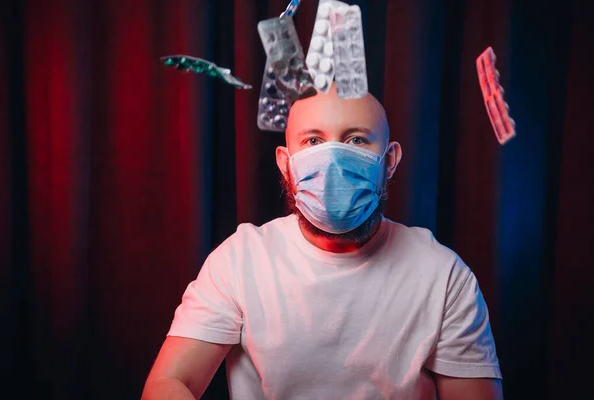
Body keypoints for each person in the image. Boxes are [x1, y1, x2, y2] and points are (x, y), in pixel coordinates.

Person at [142, 85, 503, 400]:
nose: (332, 159)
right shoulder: (240, 260)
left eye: (356, 139)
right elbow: (169, 382)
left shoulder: (443, 276)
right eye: (313, 141)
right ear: (286, 164)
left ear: (389, 160)